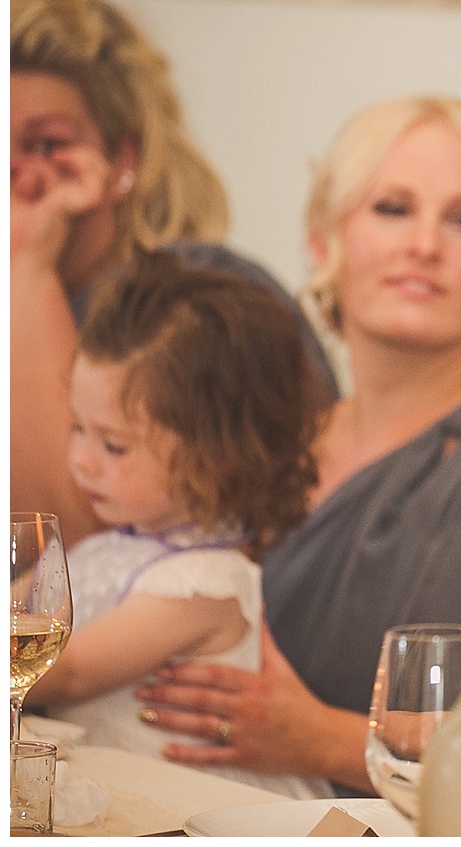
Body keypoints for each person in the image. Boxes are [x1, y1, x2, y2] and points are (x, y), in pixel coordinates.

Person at [132, 96, 461, 795]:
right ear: (322, 239)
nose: (424, 244)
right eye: (392, 207)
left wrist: (328, 742)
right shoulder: (292, 439)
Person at [11, 0, 336, 551]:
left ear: (122, 162)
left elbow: (79, 560)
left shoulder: (200, 293)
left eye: (45, 145)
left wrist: (26, 266)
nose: (14, 173)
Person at [27, 249, 331, 800]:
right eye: (77, 428)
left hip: (201, 812)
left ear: (220, 453)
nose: (81, 460)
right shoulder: (103, 551)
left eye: (113, 444)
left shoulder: (205, 584)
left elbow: (67, 669)